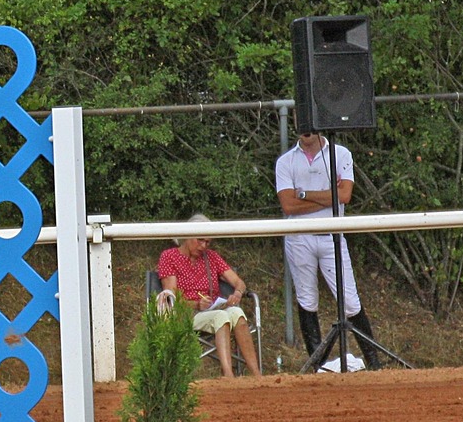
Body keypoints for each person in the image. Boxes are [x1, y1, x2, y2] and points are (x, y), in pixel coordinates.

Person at [274, 131, 380, 369]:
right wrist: (327, 196)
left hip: (332, 235)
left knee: (350, 301)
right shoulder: (286, 161)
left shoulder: (340, 154)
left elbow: (344, 195)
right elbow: (288, 204)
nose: (306, 130)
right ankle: (317, 365)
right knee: (307, 300)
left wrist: (304, 194)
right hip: (299, 237)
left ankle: (374, 363)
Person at [155, 219, 262, 379]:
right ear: (187, 235)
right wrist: (196, 304)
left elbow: (239, 282)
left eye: (207, 242)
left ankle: (257, 374)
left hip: (213, 309)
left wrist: (238, 293)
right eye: (200, 240)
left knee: (237, 313)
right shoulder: (169, 257)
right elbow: (172, 297)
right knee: (222, 316)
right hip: (185, 314)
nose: (204, 246)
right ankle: (228, 374)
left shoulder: (211, 257)